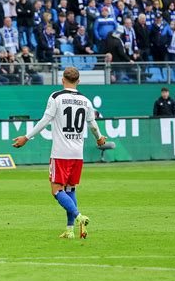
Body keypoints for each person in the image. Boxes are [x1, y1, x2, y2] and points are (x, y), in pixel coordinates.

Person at [12, 67, 106, 239]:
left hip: (61, 153)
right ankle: (69, 230)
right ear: (78, 81)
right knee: (70, 189)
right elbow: (93, 125)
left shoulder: (56, 97)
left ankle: (79, 217)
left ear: (62, 79)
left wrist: (26, 137)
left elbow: (44, 121)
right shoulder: (86, 101)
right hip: (77, 154)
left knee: (56, 190)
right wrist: (99, 138)